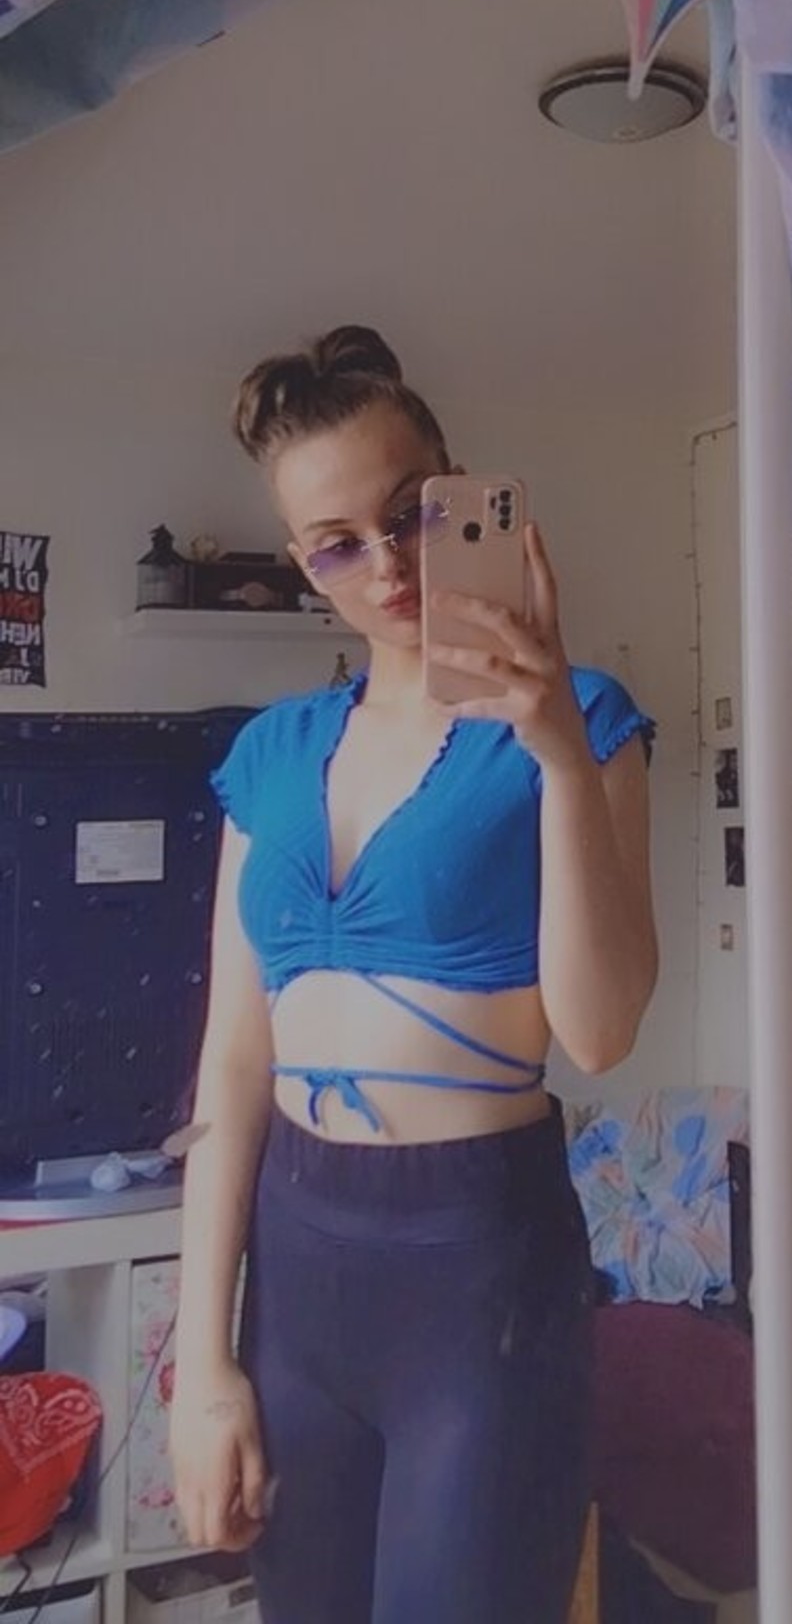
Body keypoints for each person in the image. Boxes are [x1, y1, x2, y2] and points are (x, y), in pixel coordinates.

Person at [168, 323, 659, 1624]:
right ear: (302, 565)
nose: (383, 564)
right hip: (298, 1270)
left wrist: (555, 751)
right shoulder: (269, 756)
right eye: (337, 543)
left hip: (480, 1274)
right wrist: (202, 1368)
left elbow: (602, 1031)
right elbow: (233, 1061)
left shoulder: (587, 720)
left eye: (404, 514)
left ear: (459, 489)